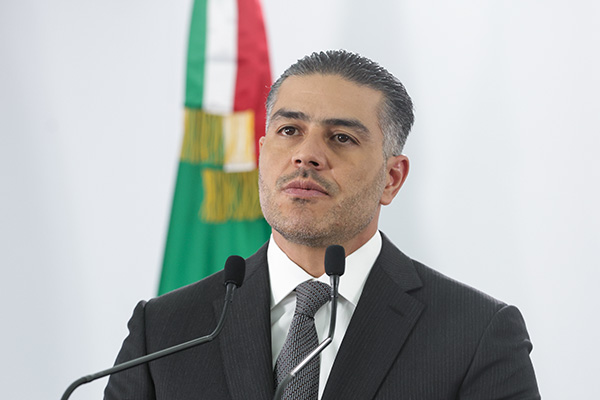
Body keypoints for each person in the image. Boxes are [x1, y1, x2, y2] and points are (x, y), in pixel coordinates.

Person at [104, 50, 540, 399]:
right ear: (262, 152)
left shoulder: (476, 333)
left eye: (341, 137)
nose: (306, 155)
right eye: (289, 130)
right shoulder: (163, 330)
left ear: (392, 178)